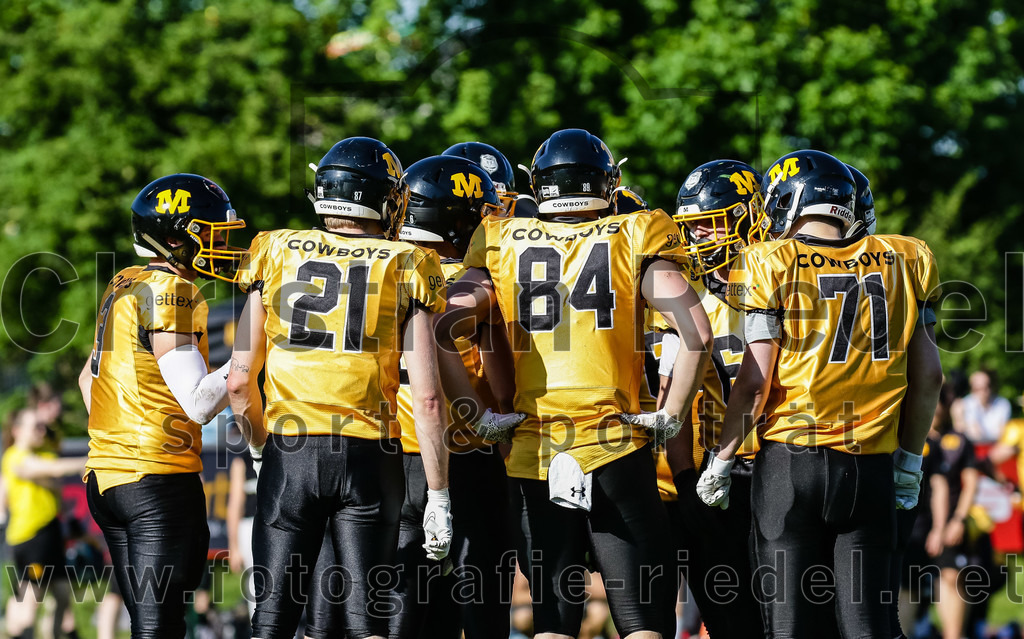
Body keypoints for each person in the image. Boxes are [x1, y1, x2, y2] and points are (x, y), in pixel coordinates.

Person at [435, 128, 712, 639]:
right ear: (607, 182)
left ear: (539, 185)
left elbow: (443, 330)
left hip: (535, 447)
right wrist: (670, 415)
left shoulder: (499, 238)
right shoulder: (637, 231)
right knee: (644, 623)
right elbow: (696, 332)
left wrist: (477, 416)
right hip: (617, 442)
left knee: (552, 623)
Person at [698, 150, 944, 638]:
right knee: (869, 626)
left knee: (790, 628)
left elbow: (753, 382)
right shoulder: (905, 257)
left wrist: (722, 461)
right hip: (869, 466)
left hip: (792, 465)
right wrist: (910, 464)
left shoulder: (769, 259)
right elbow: (931, 377)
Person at [226, 136, 451, 639]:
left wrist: (262, 448)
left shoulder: (275, 248)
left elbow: (240, 380)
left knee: (274, 619)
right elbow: (430, 399)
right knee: (364, 622)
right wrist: (438, 495)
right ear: (384, 198)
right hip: (371, 453)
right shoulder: (408, 262)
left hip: (292, 448)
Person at [79, 173, 245, 637]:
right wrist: (250, 357)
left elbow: (85, 379)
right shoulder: (173, 291)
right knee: (161, 629)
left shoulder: (125, 282)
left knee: (149, 626)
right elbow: (197, 403)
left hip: (106, 479)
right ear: (176, 239)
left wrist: (116, 443)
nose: (220, 245)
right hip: (156, 481)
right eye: (210, 233)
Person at [390, 154, 514, 639]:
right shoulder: (479, 277)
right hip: (466, 454)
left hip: (391, 453)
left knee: (405, 601)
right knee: (482, 597)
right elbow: (504, 387)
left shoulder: (380, 263)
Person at [667, 159, 767, 638]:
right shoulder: (684, 296)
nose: (701, 237)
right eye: (692, 228)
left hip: (780, 465)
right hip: (717, 476)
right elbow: (675, 400)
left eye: (712, 222)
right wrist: (686, 476)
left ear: (751, 216)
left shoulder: (783, 283)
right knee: (731, 623)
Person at [2, 408, 87, 639]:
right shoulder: (15, 456)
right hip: (31, 538)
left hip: (50, 534)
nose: (41, 431)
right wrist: (90, 460)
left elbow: (53, 472)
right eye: (35, 427)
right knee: (30, 601)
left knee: (61, 597)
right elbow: (49, 469)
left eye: (42, 427)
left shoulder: (45, 454)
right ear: (17, 430)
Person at [957, 369, 1011, 444]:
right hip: (974, 448)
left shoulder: (1002, 403)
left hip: (998, 446)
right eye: (979, 389)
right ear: (972, 389)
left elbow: (1003, 431)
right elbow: (973, 432)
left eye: (986, 387)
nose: (984, 392)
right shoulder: (965, 404)